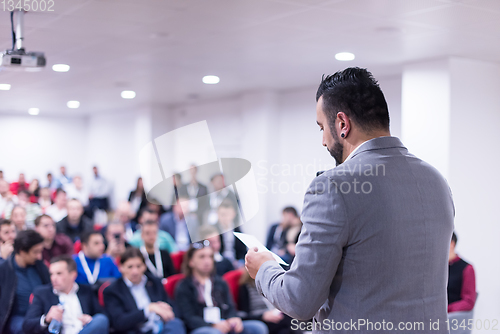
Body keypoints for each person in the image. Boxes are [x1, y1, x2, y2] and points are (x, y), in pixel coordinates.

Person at [245, 67, 454, 334]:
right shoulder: (436, 180)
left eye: (322, 128)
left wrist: (265, 269)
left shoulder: (333, 186)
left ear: (342, 124)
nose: (323, 141)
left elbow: (299, 300)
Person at [175, 243, 268, 334]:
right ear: (191, 261)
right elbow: (188, 317)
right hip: (202, 327)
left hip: (224, 323)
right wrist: (212, 325)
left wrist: (233, 319)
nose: (207, 261)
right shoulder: (184, 286)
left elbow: (231, 307)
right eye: (202, 257)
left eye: (210, 257)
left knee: (258, 328)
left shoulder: (220, 283)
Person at [103, 247, 186, 334]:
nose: (135, 271)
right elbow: (119, 322)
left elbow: (173, 307)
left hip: (160, 327)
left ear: (144, 266)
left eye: (138, 266)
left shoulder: (155, 282)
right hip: (135, 330)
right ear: (121, 268)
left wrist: (168, 311)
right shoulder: (113, 290)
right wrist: (148, 309)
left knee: (176, 323)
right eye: (130, 267)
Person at [23, 255, 110, 334]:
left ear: (73, 275)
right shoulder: (42, 293)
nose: (53, 278)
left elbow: (103, 316)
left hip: (84, 330)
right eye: (51, 274)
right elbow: (27, 326)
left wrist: (90, 320)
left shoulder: (86, 291)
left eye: (59, 274)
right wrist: (46, 319)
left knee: (101, 320)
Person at [0, 230, 50, 334]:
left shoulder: (40, 266)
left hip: (41, 316)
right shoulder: (4, 271)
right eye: (35, 252)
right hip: (17, 318)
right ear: (22, 251)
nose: (39, 256)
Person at [448, 232, 477, 313]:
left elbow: (468, 302)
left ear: (451, 244)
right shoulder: (437, 268)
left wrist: (447, 309)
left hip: (450, 317)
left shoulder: (467, 268)